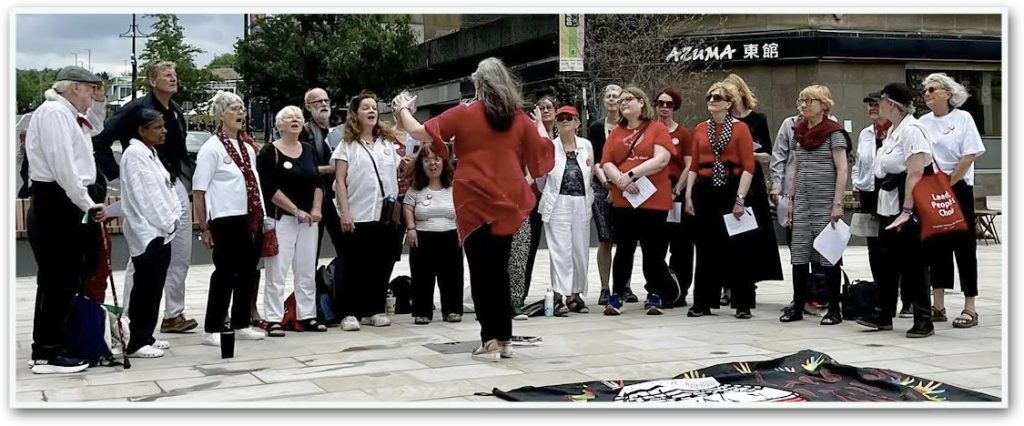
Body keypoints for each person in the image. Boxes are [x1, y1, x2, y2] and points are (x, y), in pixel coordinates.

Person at [393, 57, 554, 362]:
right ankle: (504, 338)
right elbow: (542, 153)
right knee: (499, 271)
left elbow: (420, 133)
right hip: (508, 197)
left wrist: (402, 107)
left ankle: (490, 340)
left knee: (482, 272)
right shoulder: (517, 118)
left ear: (479, 83)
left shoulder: (466, 113)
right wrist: (542, 126)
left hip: (475, 199)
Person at [93, 61, 199, 334]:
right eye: (167, 75)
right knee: (144, 252)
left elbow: (180, 150)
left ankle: (174, 313)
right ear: (152, 81)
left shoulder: (175, 111)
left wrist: (190, 179)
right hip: (147, 186)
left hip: (174, 184)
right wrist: (118, 177)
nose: (173, 78)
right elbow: (100, 141)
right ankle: (129, 319)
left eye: (175, 74)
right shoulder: (135, 110)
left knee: (180, 253)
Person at [25, 66, 108, 374]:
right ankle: (46, 352)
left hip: (65, 201)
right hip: (58, 201)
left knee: (64, 278)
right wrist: (87, 203)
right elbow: (64, 169)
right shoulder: (55, 114)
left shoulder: (69, 114)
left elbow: (96, 127)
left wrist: (99, 101)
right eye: (90, 89)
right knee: (58, 279)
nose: (93, 95)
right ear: (74, 88)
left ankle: (52, 345)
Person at [855, 82, 935, 338]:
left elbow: (915, 171)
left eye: (883, 101)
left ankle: (923, 317)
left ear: (892, 104)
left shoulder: (912, 129)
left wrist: (908, 209)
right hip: (887, 201)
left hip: (907, 203)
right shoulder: (894, 131)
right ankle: (883, 312)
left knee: (913, 261)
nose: (879, 105)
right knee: (886, 260)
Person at [193, 91, 268, 347]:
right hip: (226, 218)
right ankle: (212, 326)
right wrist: (204, 226)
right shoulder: (211, 148)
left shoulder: (248, 147)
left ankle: (241, 321)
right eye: (234, 109)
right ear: (221, 114)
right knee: (225, 273)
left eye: (242, 109)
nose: (241, 114)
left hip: (251, 217)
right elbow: (200, 191)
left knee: (249, 272)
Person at [600, 86, 676, 316]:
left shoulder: (656, 128)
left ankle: (655, 294)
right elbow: (606, 162)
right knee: (624, 249)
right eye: (621, 101)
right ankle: (617, 294)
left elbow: (662, 158)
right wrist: (621, 182)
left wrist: (633, 174)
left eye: (628, 99)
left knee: (653, 252)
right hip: (625, 201)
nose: (623, 103)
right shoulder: (616, 132)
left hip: (654, 200)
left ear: (642, 102)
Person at [684, 82, 757, 319]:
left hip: (731, 186)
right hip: (704, 188)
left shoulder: (740, 129)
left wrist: (740, 199)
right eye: (709, 97)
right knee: (705, 247)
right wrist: (688, 194)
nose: (712, 100)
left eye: (718, 97)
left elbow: (748, 166)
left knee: (738, 245)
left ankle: (743, 302)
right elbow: (694, 164)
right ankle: (702, 301)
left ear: (728, 103)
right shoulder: (700, 128)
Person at [778, 85, 850, 325]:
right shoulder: (797, 131)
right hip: (803, 203)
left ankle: (833, 309)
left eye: (811, 100)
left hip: (825, 202)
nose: (805, 104)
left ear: (824, 105)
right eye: (801, 100)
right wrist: (791, 199)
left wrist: (837, 203)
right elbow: (797, 168)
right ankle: (798, 305)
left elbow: (842, 169)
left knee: (828, 257)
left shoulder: (834, 133)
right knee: (799, 255)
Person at [918, 73, 985, 329]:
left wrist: (949, 183)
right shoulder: (922, 122)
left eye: (932, 89)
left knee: (964, 247)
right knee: (936, 245)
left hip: (958, 188)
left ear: (947, 92)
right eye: (925, 90)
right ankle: (938, 303)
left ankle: (970, 307)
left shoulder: (963, 118)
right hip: (932, 189)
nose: (927, 94)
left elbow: (970, 154)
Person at [331, 91, 403, 331]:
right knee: (352, 264)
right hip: (358, 213)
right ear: (355, 114)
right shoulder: (346, 145)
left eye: (374, 107)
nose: (372, 111)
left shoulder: (387, 142)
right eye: (366, 108)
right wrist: (345, 212)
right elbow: (340, 181)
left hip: (384, 215)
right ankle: (348, 312)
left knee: (379, 264)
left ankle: (374, 308)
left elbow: (399, 170)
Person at [117, 109, 182, 358]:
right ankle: (136, 341)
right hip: (148, 231)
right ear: (141, 130)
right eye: (157, 127)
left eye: (163, 126)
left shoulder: (150, 153)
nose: (163, 131)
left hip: (162, 229)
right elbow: (147, 197)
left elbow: (166, 187)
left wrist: (172, 218)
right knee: (145, 287)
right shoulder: (134, 155)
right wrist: (166, 221)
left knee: (155, 286)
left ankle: (147, 334)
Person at [257, 106, 327, 336]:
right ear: (279, 125)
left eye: (298, 117)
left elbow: (317, 181)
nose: (295, 120)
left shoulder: (307, 149)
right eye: (288, 117)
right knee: (277, 269)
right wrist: (295, 210)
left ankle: (307, 315)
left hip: (309, 220)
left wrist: (316, 208)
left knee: (306, 269)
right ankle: (273, 318)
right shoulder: (269, 151)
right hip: (282, 218)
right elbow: (269, 188)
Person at [723, 74, 784, 306]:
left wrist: (750, 153)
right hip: (728, 178)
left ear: (741, 92)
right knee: (728, 231)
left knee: (750, 232)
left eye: (731, 93)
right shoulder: (722, 119)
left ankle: (748, 283)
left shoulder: (757, 119)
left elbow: (769, 154)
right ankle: (728, 284)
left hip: (752, 179)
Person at [852, 92, 913, 317]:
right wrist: (857, 183)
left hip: (894, 193)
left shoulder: (899, 131)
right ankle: (883, 296)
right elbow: (860, 162)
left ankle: (907, 299)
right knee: (876, 249)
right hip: (870, 194)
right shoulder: (866, 134)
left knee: (900, 248)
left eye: (876, 105)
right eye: (869, 106)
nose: (872, 109)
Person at [538, 106, 594, 315]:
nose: (564, 121)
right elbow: (541, 178)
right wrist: (552, 194)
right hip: (558, 202)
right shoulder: (550, 147)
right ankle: (559, 295)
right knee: (561, 251)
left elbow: (590, 174)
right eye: (560, 118)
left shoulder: (586, 146)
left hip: (581, 202)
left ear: (577, 122)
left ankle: (575, 294)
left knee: (580, 249)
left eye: (569, 118)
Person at [509, 95, 559, 319]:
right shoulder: (526, 132)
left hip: (550, 199)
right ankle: (512, 296)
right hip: (522, 197)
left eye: (549, 107)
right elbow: (534, 161)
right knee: (518, 248)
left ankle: (522, 295)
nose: (545, 110)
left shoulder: (560, 133)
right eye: (541, 107)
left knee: (532, 249)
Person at [404, 148, 464, 325]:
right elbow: (408, 207)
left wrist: (461, 232)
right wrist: (411, 228)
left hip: (450, 235)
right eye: (427, 160)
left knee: (452, 276)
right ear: (420, 165)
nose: (433, 163)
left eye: (437, 159)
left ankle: (452, 309)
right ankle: (422, 311)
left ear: (444, 162)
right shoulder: (415, 189)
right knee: (422, 276)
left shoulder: (454, 187)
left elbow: (462, 210)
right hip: (422, 237)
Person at [588, 84, 634, 305]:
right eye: (609, 96)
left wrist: (622, 182)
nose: (613, 100)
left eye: (617, 96)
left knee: (627, 240)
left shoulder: (630, 127)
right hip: (603, 187)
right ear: (604, 100)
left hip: (628, 187)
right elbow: (596, 160)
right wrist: (607, 183)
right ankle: (605, 287)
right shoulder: (597, 128)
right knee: (605, 239)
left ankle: (624, 285)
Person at [657, 87, 694, 307]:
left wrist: (677, 190)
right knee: (656, 245)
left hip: (675, 192)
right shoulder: (650, 130)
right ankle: (660, 287)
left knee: (681, 245)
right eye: (660, 103)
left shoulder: (683, 134)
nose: (664, 108)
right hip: (652, 194)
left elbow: (689, 166)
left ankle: (681, 288)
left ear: (675, 107)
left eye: (669, 104)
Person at [299, 88, 345, 261]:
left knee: (345, 248)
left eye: (326, 101)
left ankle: (340, 286)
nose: (324, 104)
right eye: (318, 102)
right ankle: (309, 287)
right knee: (310, 252)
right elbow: (301, 168)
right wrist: (330, 169)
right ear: (308, 107)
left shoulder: (341, 131)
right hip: (314, 198)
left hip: (338, 197)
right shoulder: (304, 132)